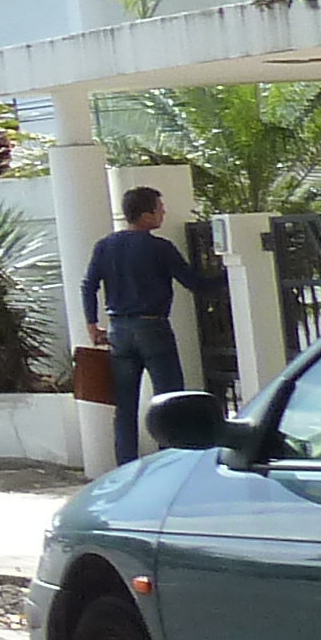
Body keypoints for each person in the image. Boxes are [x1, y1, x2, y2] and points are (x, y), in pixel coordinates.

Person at [83, 184, 199, 466]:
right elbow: (194, 284)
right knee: (169, 400)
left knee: (124, 406)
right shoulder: (160, 248)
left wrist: (92, 324)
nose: (163, 213)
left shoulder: (105, 246)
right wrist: (226, 277)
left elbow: (88, 285)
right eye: (159, 209)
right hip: (153, 326)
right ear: (146, 215)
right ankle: (169, 463)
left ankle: (126, 466)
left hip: (118, 329)